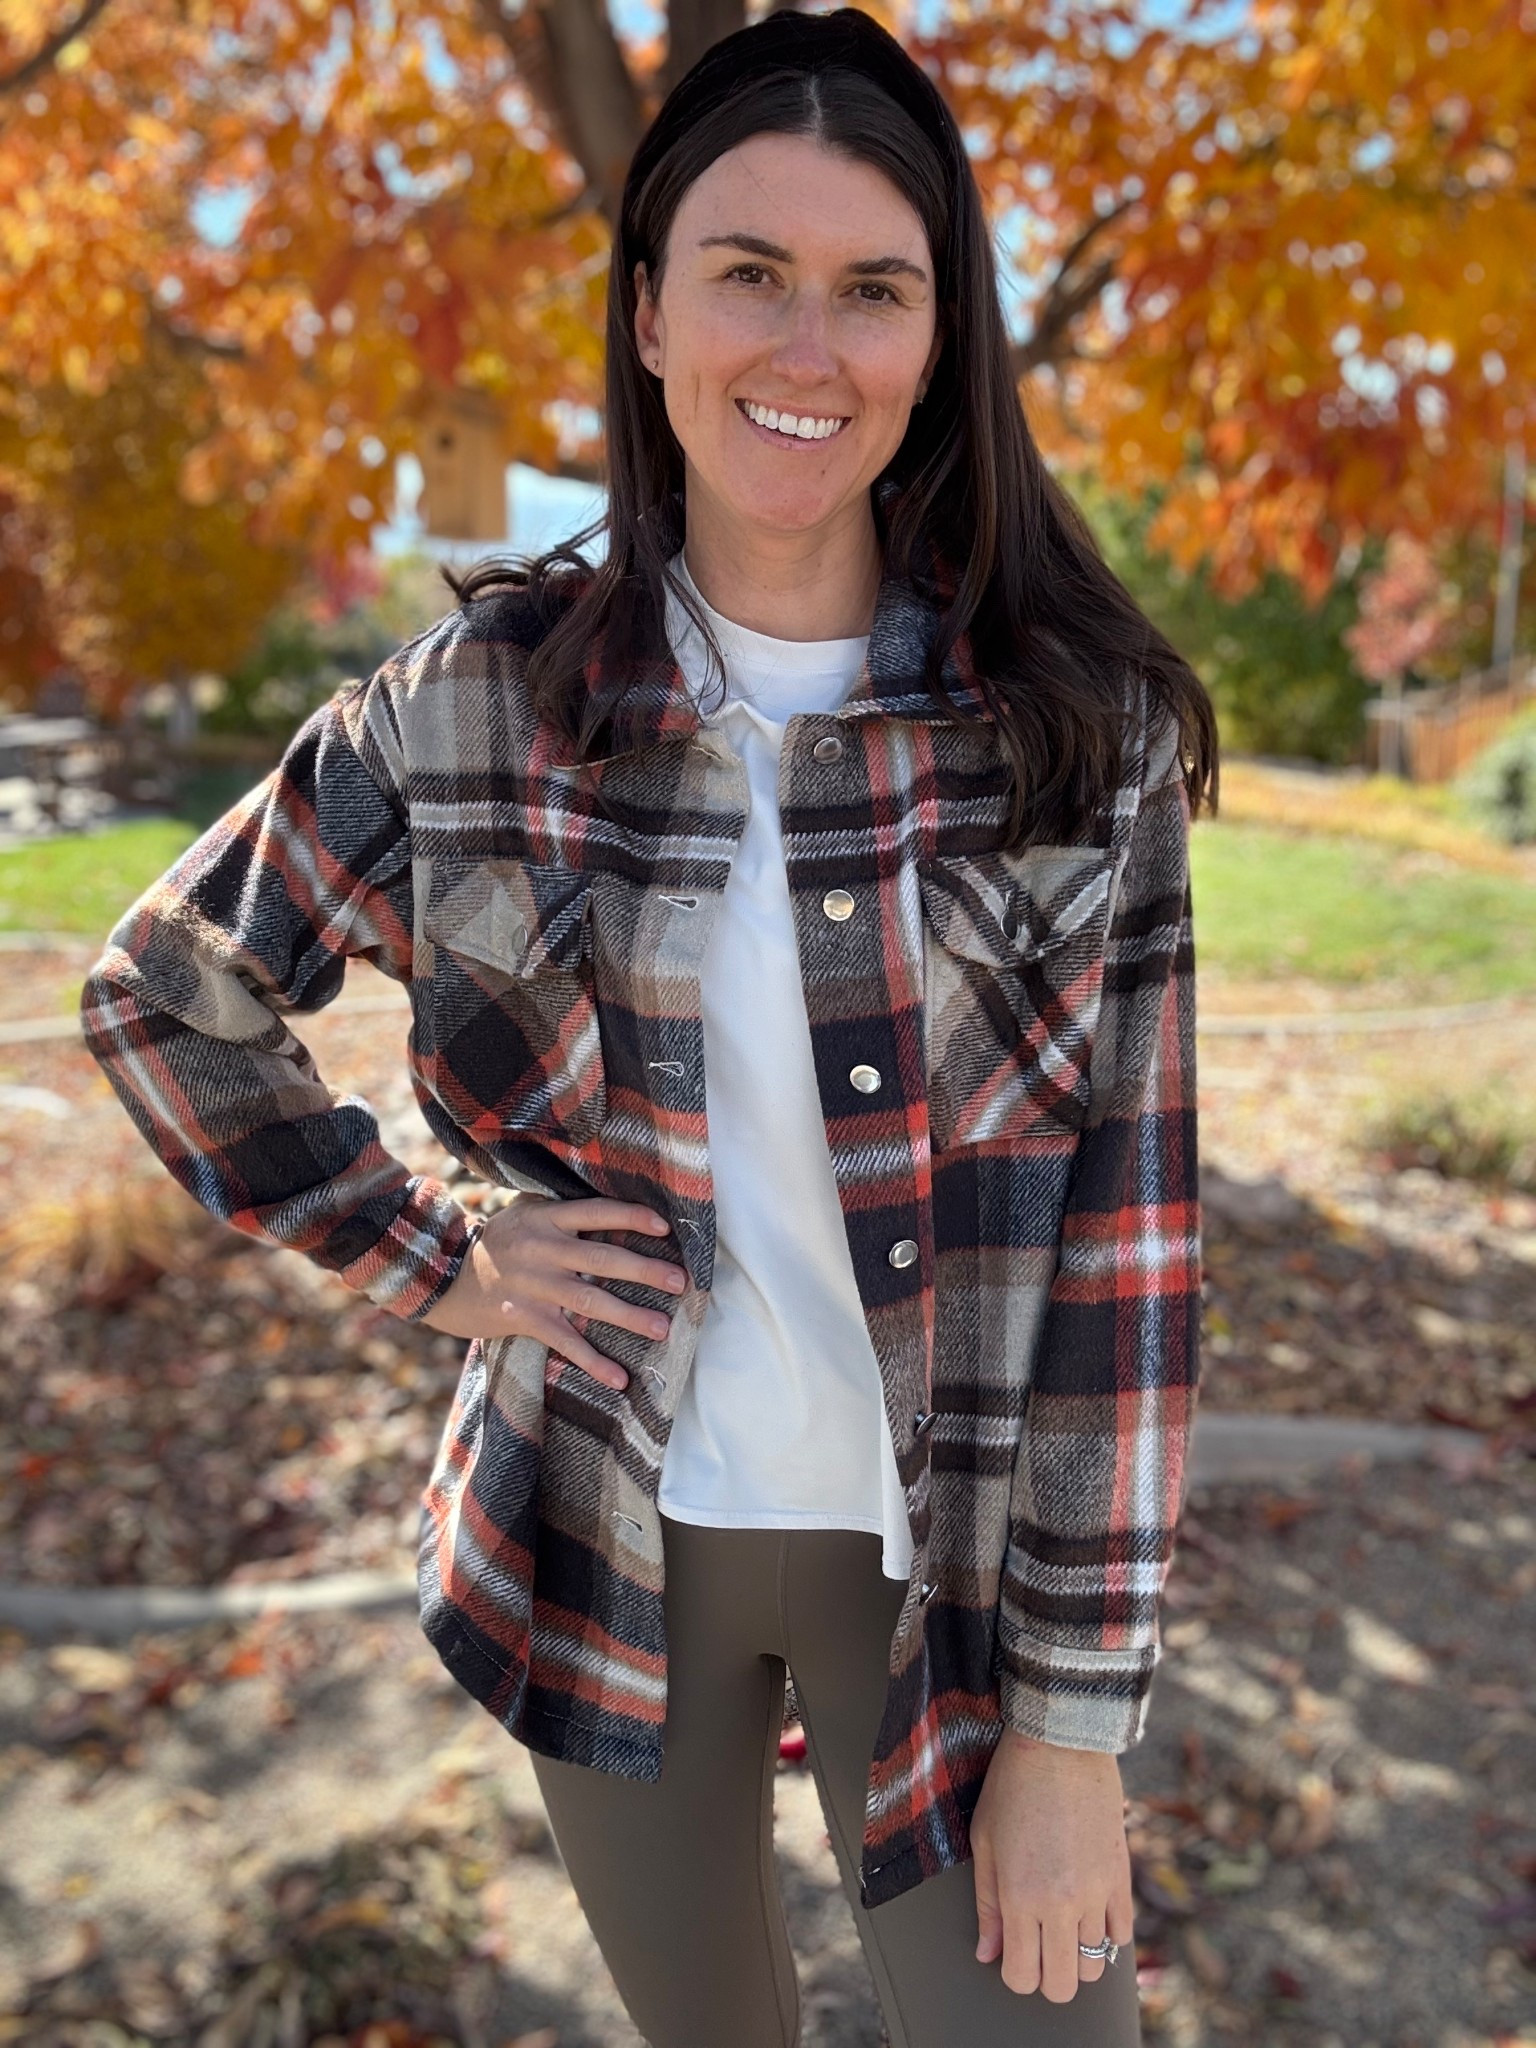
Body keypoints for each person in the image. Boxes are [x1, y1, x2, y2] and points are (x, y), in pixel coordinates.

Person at [80, 10, 1218, 2044]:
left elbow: (1133, 1256)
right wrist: (433, 1260)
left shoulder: (1074, 732)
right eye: (748, 274)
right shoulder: (470, 703)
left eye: (875, 289)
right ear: (648, 314)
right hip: (606, 1536)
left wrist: (1073, 1726)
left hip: (952, 1579)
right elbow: (165, 997)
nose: (809, 346)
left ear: (942, 341)